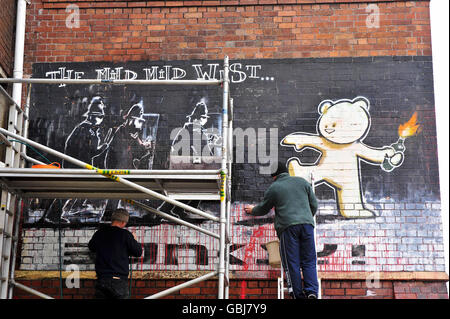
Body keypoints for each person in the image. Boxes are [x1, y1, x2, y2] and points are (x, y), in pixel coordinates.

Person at [244, 162, 319, 299]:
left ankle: (297, 295)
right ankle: (312, 292)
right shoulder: (302, 182)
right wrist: (306, 217)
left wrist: (252, 210)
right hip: (307, 225)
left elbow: (263, 208)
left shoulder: (275, 187)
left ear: (274, 176)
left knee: (292, 263)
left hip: (288, 227)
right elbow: (314, 205)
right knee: (309, 261)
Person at [88, 208, 142, 299]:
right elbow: (138, 252)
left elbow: (91, 247)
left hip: (102, 280)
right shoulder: (126, 235)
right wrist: (135, 240)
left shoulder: (100, 233)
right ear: (123, 222)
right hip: (119, 281)